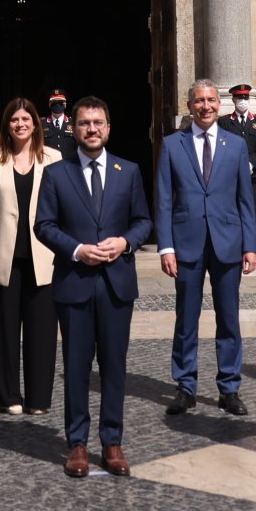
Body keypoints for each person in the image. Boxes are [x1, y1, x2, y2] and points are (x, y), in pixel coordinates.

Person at [35, 96, 154, 478]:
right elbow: (44, 225)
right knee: (75, 366)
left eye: (98, 122)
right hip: (74, 281)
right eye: (84, 123)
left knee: (115, 365)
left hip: (117, 283)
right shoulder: (56, 174)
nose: (91, 129)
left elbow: (142, 221)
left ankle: (112, 440)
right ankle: (78, 443)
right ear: (73, 128)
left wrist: (125, 243)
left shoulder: (129, 170)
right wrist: (76, 250)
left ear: (108, 128)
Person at [156, 78, 256, 417]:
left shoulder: (236, 145)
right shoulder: (173, 145)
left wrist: (251, 245)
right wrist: (165, 247)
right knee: (186, 319)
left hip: (228, 243)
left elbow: (246, 200)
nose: (206, 106)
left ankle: (229, 388)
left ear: (220, 104)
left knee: (229, 319)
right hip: (186, 245)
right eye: (199, 101)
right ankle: (185, 386)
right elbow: (164, 201)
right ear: (189, 107)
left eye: (211, 100)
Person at [0, 95, 60, 415]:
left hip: (44, 254)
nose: (21, 124)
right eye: (14, 119)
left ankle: (39, 397)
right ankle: (6, 395)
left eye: (26, 119)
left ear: (36, 123)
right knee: (4, 328)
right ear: (7, 125)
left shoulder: (53, 157)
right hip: (4, 255)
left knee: (42, 330)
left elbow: (61, 206)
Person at [225, 83, 256, 249]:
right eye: (240, 98)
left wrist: (251, 162)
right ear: (233, 100)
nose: (243, 101)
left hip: (254, 175)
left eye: (245, 97)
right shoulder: (225, 122)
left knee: (254, 211)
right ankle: (236, 246)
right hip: (232, 174)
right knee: (234, 210)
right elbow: (222, 145)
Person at [40, 90, 75, 157]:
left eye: (60, 102)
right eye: (54, 102)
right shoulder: (42, 123)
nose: (57, 104)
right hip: (49, 164)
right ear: (49, 104)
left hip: (69, 164)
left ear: (65, 104)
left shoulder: (73, 123)